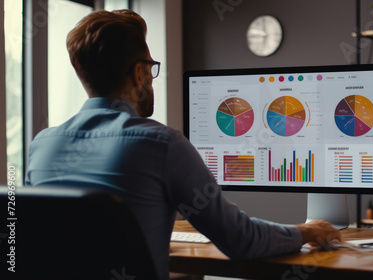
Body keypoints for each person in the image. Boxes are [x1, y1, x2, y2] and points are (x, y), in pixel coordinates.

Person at [25, 9, 341, 280]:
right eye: (150, 68)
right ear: (139, 73)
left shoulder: (41, 146)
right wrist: (306, 231)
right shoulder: (161, 143)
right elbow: (240, 239)